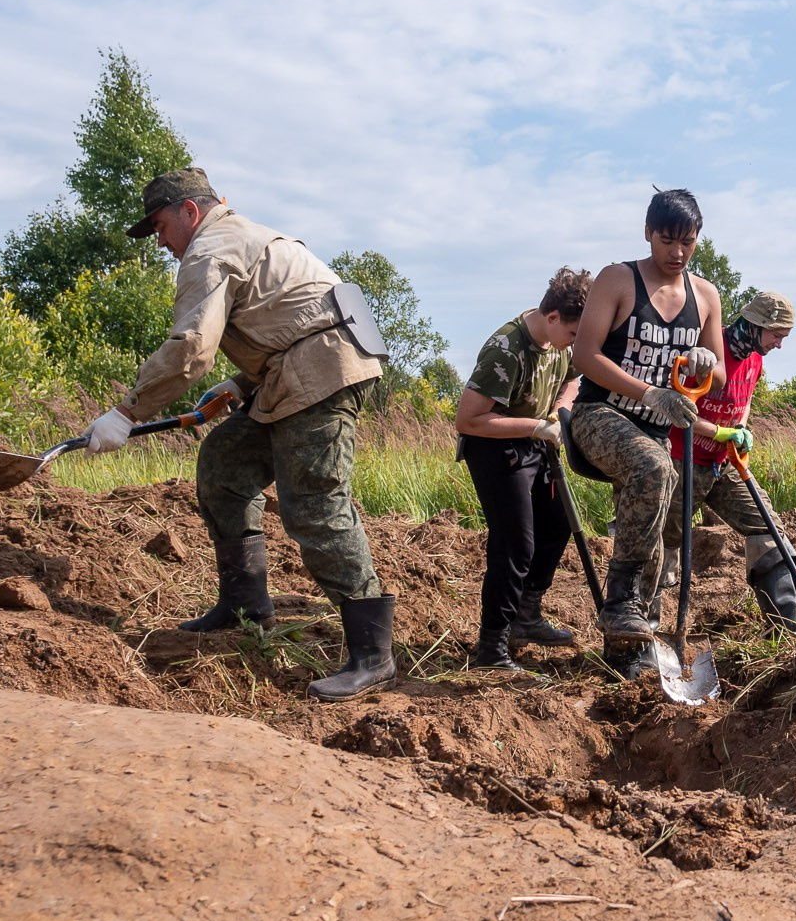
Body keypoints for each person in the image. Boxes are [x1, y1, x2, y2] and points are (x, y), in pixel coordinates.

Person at [84, 169, 395, 702]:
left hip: (320, 375)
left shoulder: (209, 252)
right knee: (225, 463)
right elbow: (291, 316)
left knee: (314, 501)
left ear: (190, 211)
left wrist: (127, 411)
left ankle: (373, 655)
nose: (160, 242)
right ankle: (245, 604)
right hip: (297, 369)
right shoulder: (243, 236)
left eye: (160, 226)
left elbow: (190, 351)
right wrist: (241, 381)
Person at [567, 189, 729, 678]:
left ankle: (634, 646)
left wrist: (706, 362)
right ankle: (620, 600)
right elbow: (584, 355)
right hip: (600, 416)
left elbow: (718, 373)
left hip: (652, 431)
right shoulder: (620, 280)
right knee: (656, 467)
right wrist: (647, 393)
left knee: (656, 540)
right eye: (666, 240)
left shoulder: (705, 296)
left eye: (687, 241)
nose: (676, 252)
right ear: (648, 233)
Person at [660, 291, 796, 634]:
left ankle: (787, 620)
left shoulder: (755, 360)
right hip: (680, 461)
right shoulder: (708, 354)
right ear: (757, 326)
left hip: (721, 464)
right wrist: (721, 432)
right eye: (777, 335)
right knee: (665, 544)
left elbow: (741, 408)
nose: (780, 344)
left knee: (767, 527)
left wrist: (739, 432)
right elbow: (678, 413)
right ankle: (647, 629)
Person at [455, 268, 591, 677]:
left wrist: (557, 411)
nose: (575, 343)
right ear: (552, 318)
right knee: (515, 544)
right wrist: (534, 426)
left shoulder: (561, 344)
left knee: (558, 522)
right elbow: (468, 420)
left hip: (535, 442)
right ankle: (492, 646)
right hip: (494, 448)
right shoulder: (507, 348)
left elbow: (572, 380)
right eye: (572, 334)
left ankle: (525, 616)